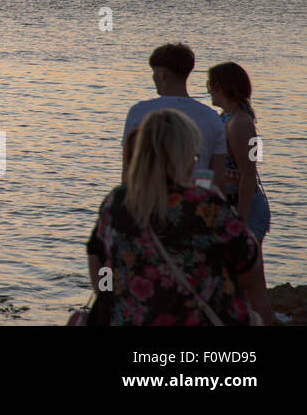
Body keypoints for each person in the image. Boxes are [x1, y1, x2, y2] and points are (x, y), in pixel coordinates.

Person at [87, 109, 272, 325]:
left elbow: (98, 258)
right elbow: (249, 264)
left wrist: (108, 296)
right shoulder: (207, 205)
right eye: (194, 156)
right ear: (183, 156)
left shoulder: (116, 203)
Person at [122, 44, 225, 184]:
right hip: (195, 200)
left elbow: (128, 169)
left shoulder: (139, 112)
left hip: (147, 199)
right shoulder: (211, 117)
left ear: (161, 74)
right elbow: (217, 176)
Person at [206, 63, 270, 241]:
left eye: (210, 85)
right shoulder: (231, 117)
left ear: (222, 87)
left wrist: (240, 219)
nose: (209, 90)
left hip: (244, 208)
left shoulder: (238, 123)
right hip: (230, 202)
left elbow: (249, 173)